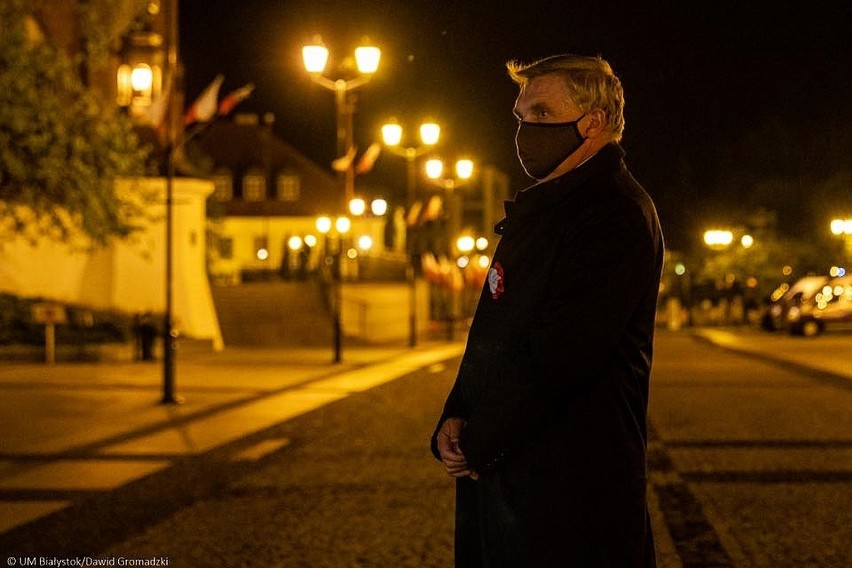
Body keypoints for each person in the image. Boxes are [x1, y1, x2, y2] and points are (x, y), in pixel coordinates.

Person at [431, 54, 663, 567]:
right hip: (516, 476)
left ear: (594, 122)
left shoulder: (613, 213)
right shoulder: (547, 207)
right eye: (520, 117)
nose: (524, 131)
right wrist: (457, 411)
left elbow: (561, 354)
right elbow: (495, 330)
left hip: (571, 486)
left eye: (540, 115)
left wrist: (479, 440)